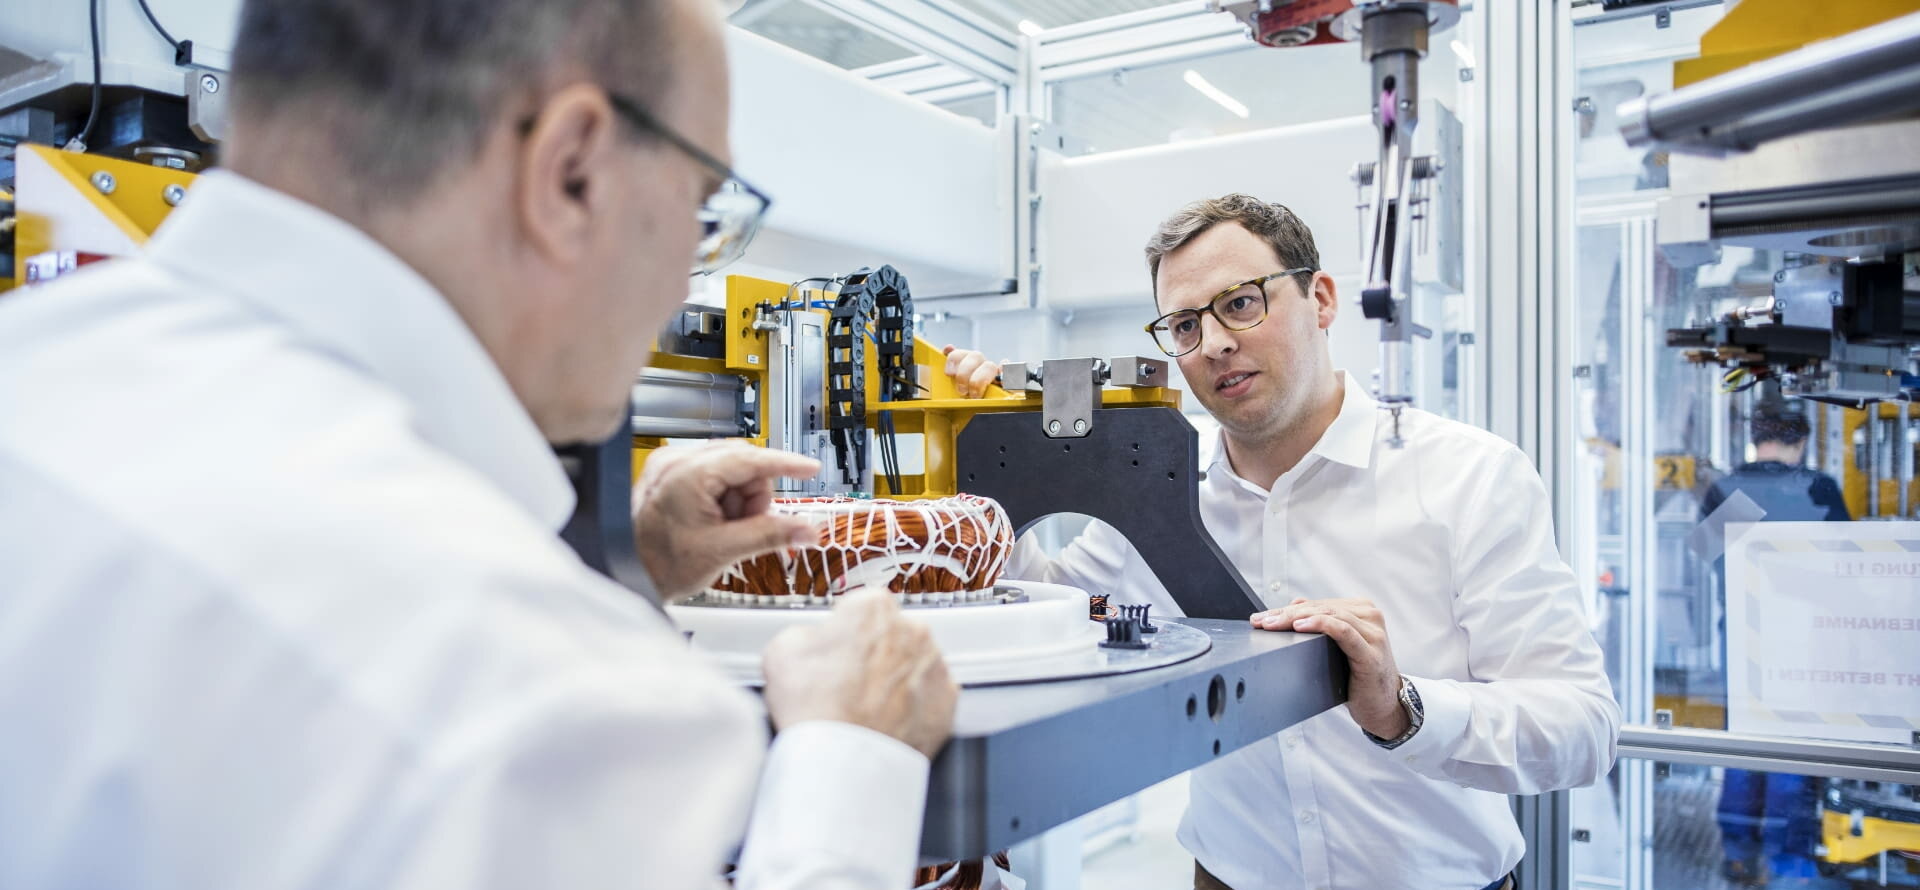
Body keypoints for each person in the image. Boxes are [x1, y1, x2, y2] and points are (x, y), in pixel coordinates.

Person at [0, 1, 956, 887]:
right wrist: (850, 764)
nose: (681, 285)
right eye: (703, 213)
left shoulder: (33, 372)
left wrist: (628, 563)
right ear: (573, 171)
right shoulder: (543, 703)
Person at [943, 194, 1621, 890]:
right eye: (1183, 324)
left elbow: (1582, 727)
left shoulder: (1468, 477)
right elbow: (1052, 607)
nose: (1212, 344)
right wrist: (975, 488)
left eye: (1239, 304)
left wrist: (1403, 706)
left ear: (1321, 299)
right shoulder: (1154, 493)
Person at [1702, 409, 1849, 885]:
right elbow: (1849, 563)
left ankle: (1739, 853)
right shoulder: (1818, 488)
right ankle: (1789, 862)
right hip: (1803, 633)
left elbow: (1707, 556)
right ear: (1801, 441)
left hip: (1742, 633)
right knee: (1793, 744)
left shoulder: (1726, 490)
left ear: (1755, 438)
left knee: (1742, 741)